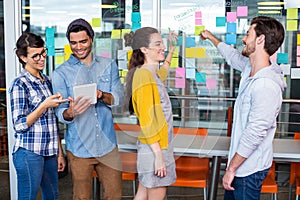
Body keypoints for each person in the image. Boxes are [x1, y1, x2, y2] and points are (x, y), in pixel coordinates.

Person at [200, 16, 286, 199]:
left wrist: (231, 168)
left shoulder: (266, 85)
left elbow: (255, 132)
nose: (244, 39)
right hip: (239, 167)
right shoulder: (250, 68)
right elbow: (231, 56)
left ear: (260, 39)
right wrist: (210, 37)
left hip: (248, 170)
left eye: (248, 34)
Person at [51, 18, 124, 199]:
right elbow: (59, 113)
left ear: (91, 38)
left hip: (108, 147)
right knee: (81, 197)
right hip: (79, 149)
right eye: (73, 43)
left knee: (114, 195)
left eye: (83, 41)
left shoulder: (109, 65)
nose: (78, 47)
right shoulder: (60, 73)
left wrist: (101, 95)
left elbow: (119, 100)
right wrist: (71, 112)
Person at [9, 32, 67, 199]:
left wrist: (59, 153)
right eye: (36, 56)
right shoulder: (20, 84)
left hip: (49, 152)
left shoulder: (47, 81)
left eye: (43, 53)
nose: (42, 58)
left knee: (52, 195)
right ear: (23, 57)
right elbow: (19, 125)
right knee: (28, 196)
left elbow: (52, 121)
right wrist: (43, 105)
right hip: (29, 153)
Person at [124, 27, 177, 200]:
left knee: (142, 194)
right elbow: (147, 121)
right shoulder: (144, 76)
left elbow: (162, 73)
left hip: (153, 147)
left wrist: (172, 48)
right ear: (144, 49)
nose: (162, 47)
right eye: (157, 44)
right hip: (155, 148)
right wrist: (159, 156)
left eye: (162, 43)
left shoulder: (149, 73)